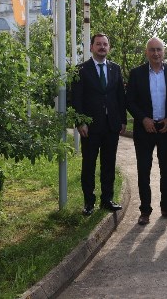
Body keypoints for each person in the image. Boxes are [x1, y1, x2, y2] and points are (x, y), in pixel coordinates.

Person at [71, 33, 127, 216]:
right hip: (90, 127)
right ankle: (89, 202)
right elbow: (76, 99)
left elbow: (120, 97)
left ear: (108, 47)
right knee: (89, 165)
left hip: (111, 126)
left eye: (105, 44)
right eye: (98, 44)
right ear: (91, 47)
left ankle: (107, 199)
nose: (102, 47)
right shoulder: (81, 70)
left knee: (109, 164)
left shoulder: (115, 69)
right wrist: (80, 122)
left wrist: (123, 120)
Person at [125, 37, 167, 226]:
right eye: (152, 50)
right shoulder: (136, 73)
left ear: (164, 51)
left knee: (166, 171)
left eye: (159, 49)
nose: (156, 53)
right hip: (144, 129)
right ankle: (145, 211)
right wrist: (143, 119)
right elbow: (129, 101)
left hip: (166, 128)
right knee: (143, 171)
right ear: (146, 52)